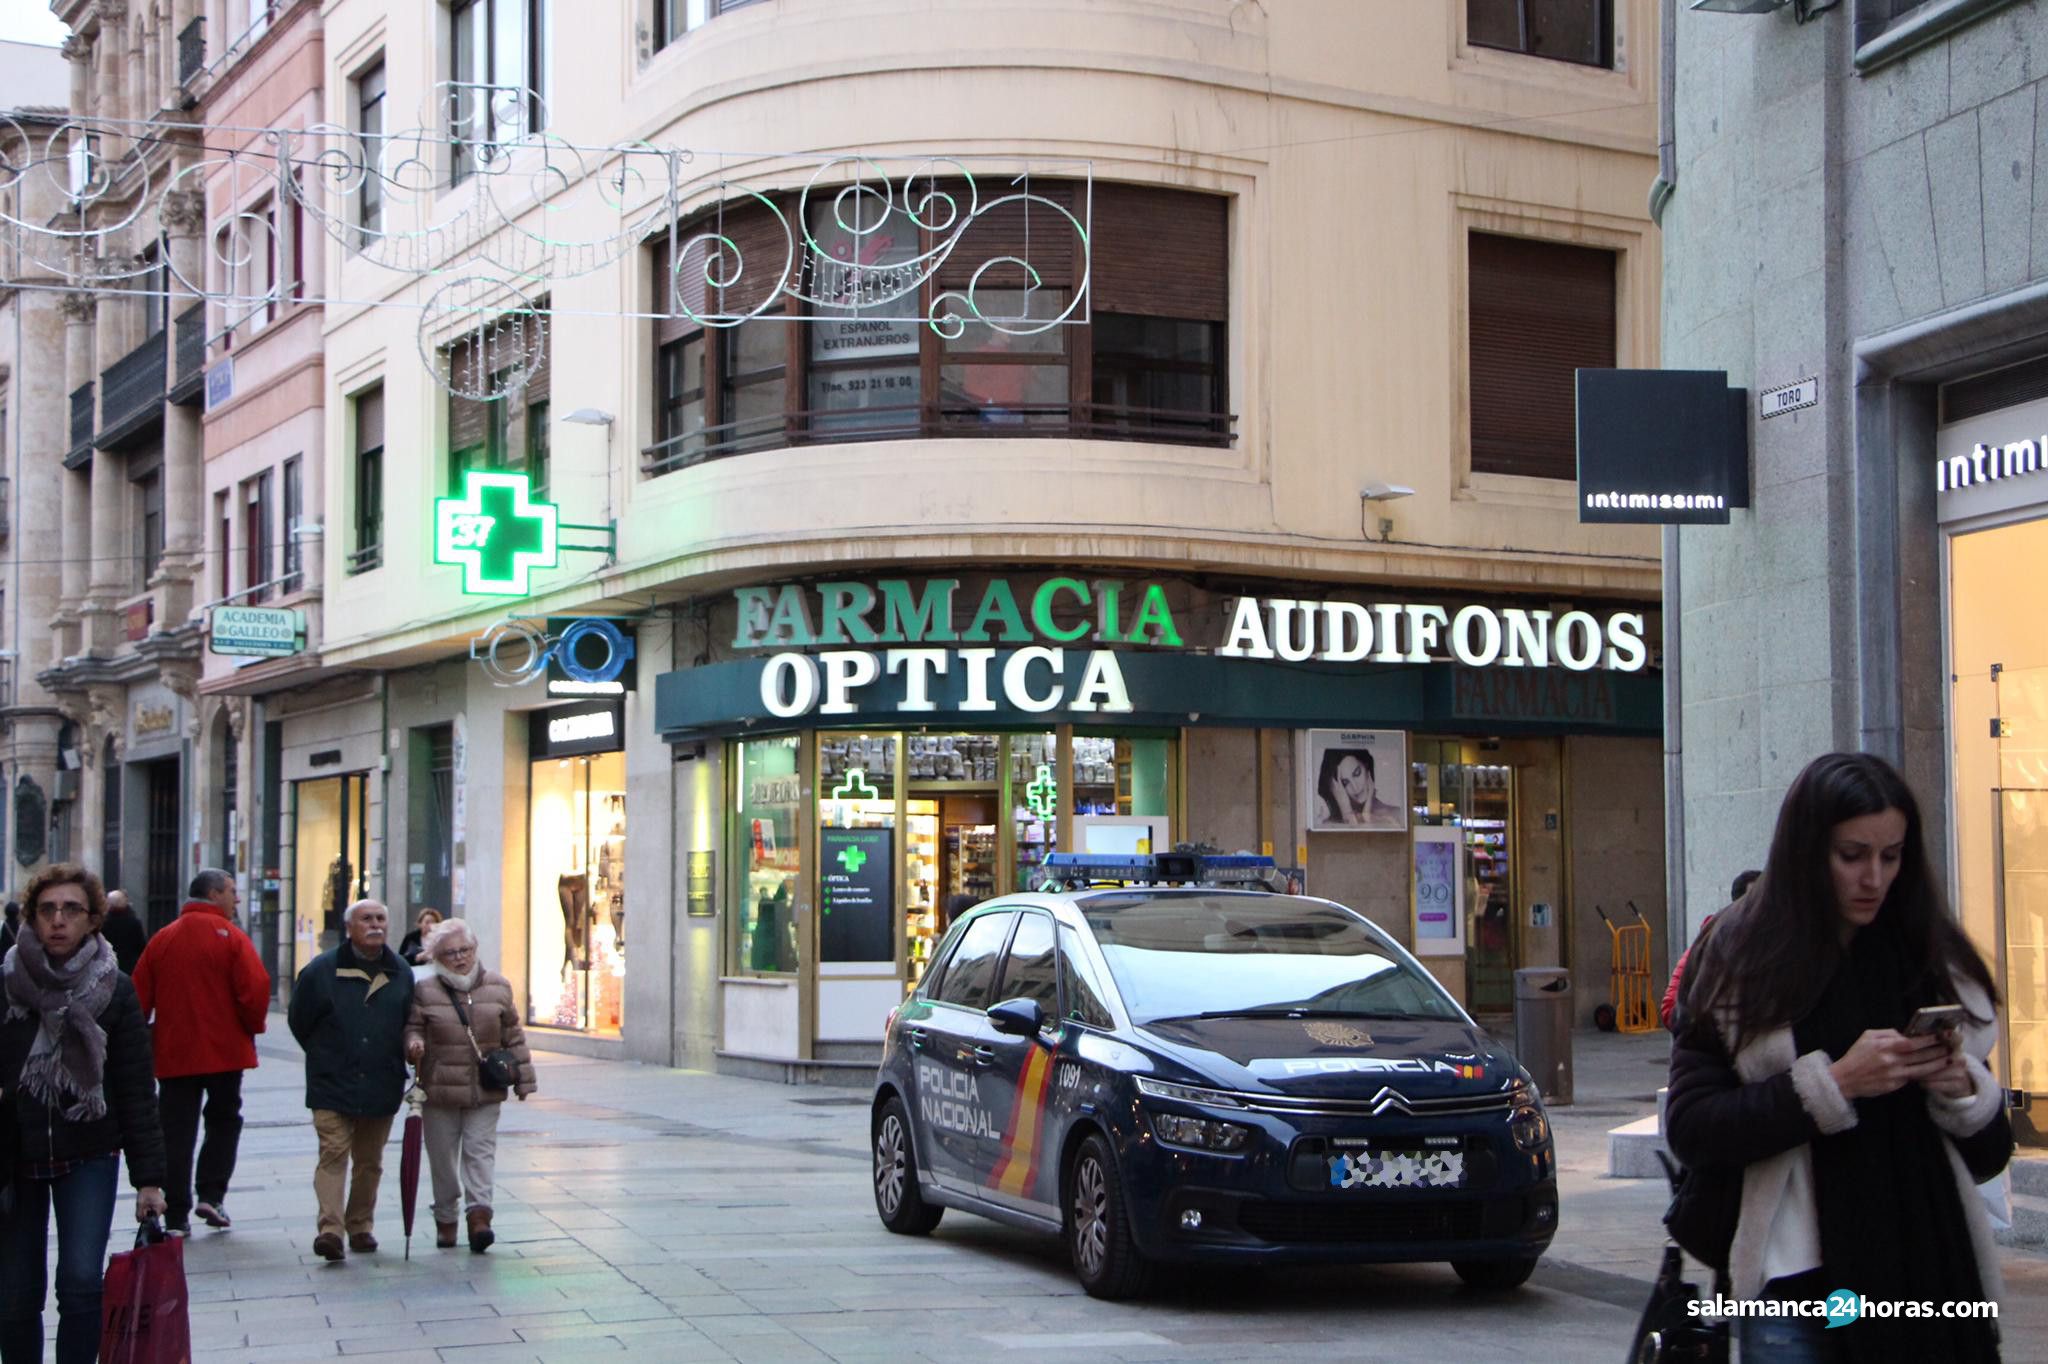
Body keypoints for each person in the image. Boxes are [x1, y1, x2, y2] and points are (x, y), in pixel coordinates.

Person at [1666, 753, 2012, 1363]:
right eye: (1851, 856)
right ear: (1806, 851)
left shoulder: (1927, 959)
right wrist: (1834, 1085)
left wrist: (1961, 1087)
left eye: (1892, 855)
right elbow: (1694, 1127)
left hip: (1927, 1278)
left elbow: (1989, 1156)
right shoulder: (1741, 959)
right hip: (1796, 1285)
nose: (1873, 878)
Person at [0, 863, 166, 1364]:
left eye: (71, 909)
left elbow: (136, 1089)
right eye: (47, 909)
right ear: (31, 917)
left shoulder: (114, 988)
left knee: (79, 1283)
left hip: (89, 1152)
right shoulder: (6, 981)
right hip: (13, 1154)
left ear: (93, 919)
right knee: (14, 1293)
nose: (58, 920)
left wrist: (151, 1181)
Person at [133, 868, 271, 1235]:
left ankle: (176, 1213)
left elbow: (138, 997)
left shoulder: (162, 939)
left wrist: (140, 1040)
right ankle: (211, 1193)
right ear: (213, 894)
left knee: (176, 1132)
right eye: (231, 891)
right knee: (224, 1119)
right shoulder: (232, 938)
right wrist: (251, 1026)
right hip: (225, 1051)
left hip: (175, 1052)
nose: (236, 899)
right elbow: (255, 988)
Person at [287, 899, 414, 1262]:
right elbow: (300, 1021)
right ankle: (330, 1230)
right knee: (333, 1152)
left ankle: (360, 1226)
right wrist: (326, 1054)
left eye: (380, 919)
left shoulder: (400, 971)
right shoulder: (321, 971)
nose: (375, 925)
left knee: (370, 1160)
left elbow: (409, 1020)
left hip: (381, 1080)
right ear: (349, 928)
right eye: (366, 919)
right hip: (332, 1081)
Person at [403, 919, 534, 1253]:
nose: (460, 957)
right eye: (450, 953)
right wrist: (414, 1043)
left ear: (475, 949)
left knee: (480, 1153)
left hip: (484, 1090)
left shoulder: (498, 986)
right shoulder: (424, 989)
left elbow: (513, 1036)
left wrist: (524, 1078)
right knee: (443, 1161)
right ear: (435, 956)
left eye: (465, 950)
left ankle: (479, 1217)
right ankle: (446, 1218)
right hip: (440, 1091)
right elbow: (412, 1027)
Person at [1660, 868, 1762, 1032]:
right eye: (1757, 900)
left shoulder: (1776, 947)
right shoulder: (1709, 943)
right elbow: (1671, 1011)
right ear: (1738, 907)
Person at [1312, 747, 1402, 828]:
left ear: (1367, 767)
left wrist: (1366, 814)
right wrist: (1346, 811)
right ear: (1337, 789)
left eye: (1357, 773)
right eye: (1345, 782)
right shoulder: (1328, 824)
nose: (1355, 787)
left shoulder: (1396, 814)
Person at [99, 890, 147, 976]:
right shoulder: (134, 922)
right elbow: (141, 946)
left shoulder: (102, 923)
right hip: (129, 967)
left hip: (106, 967)